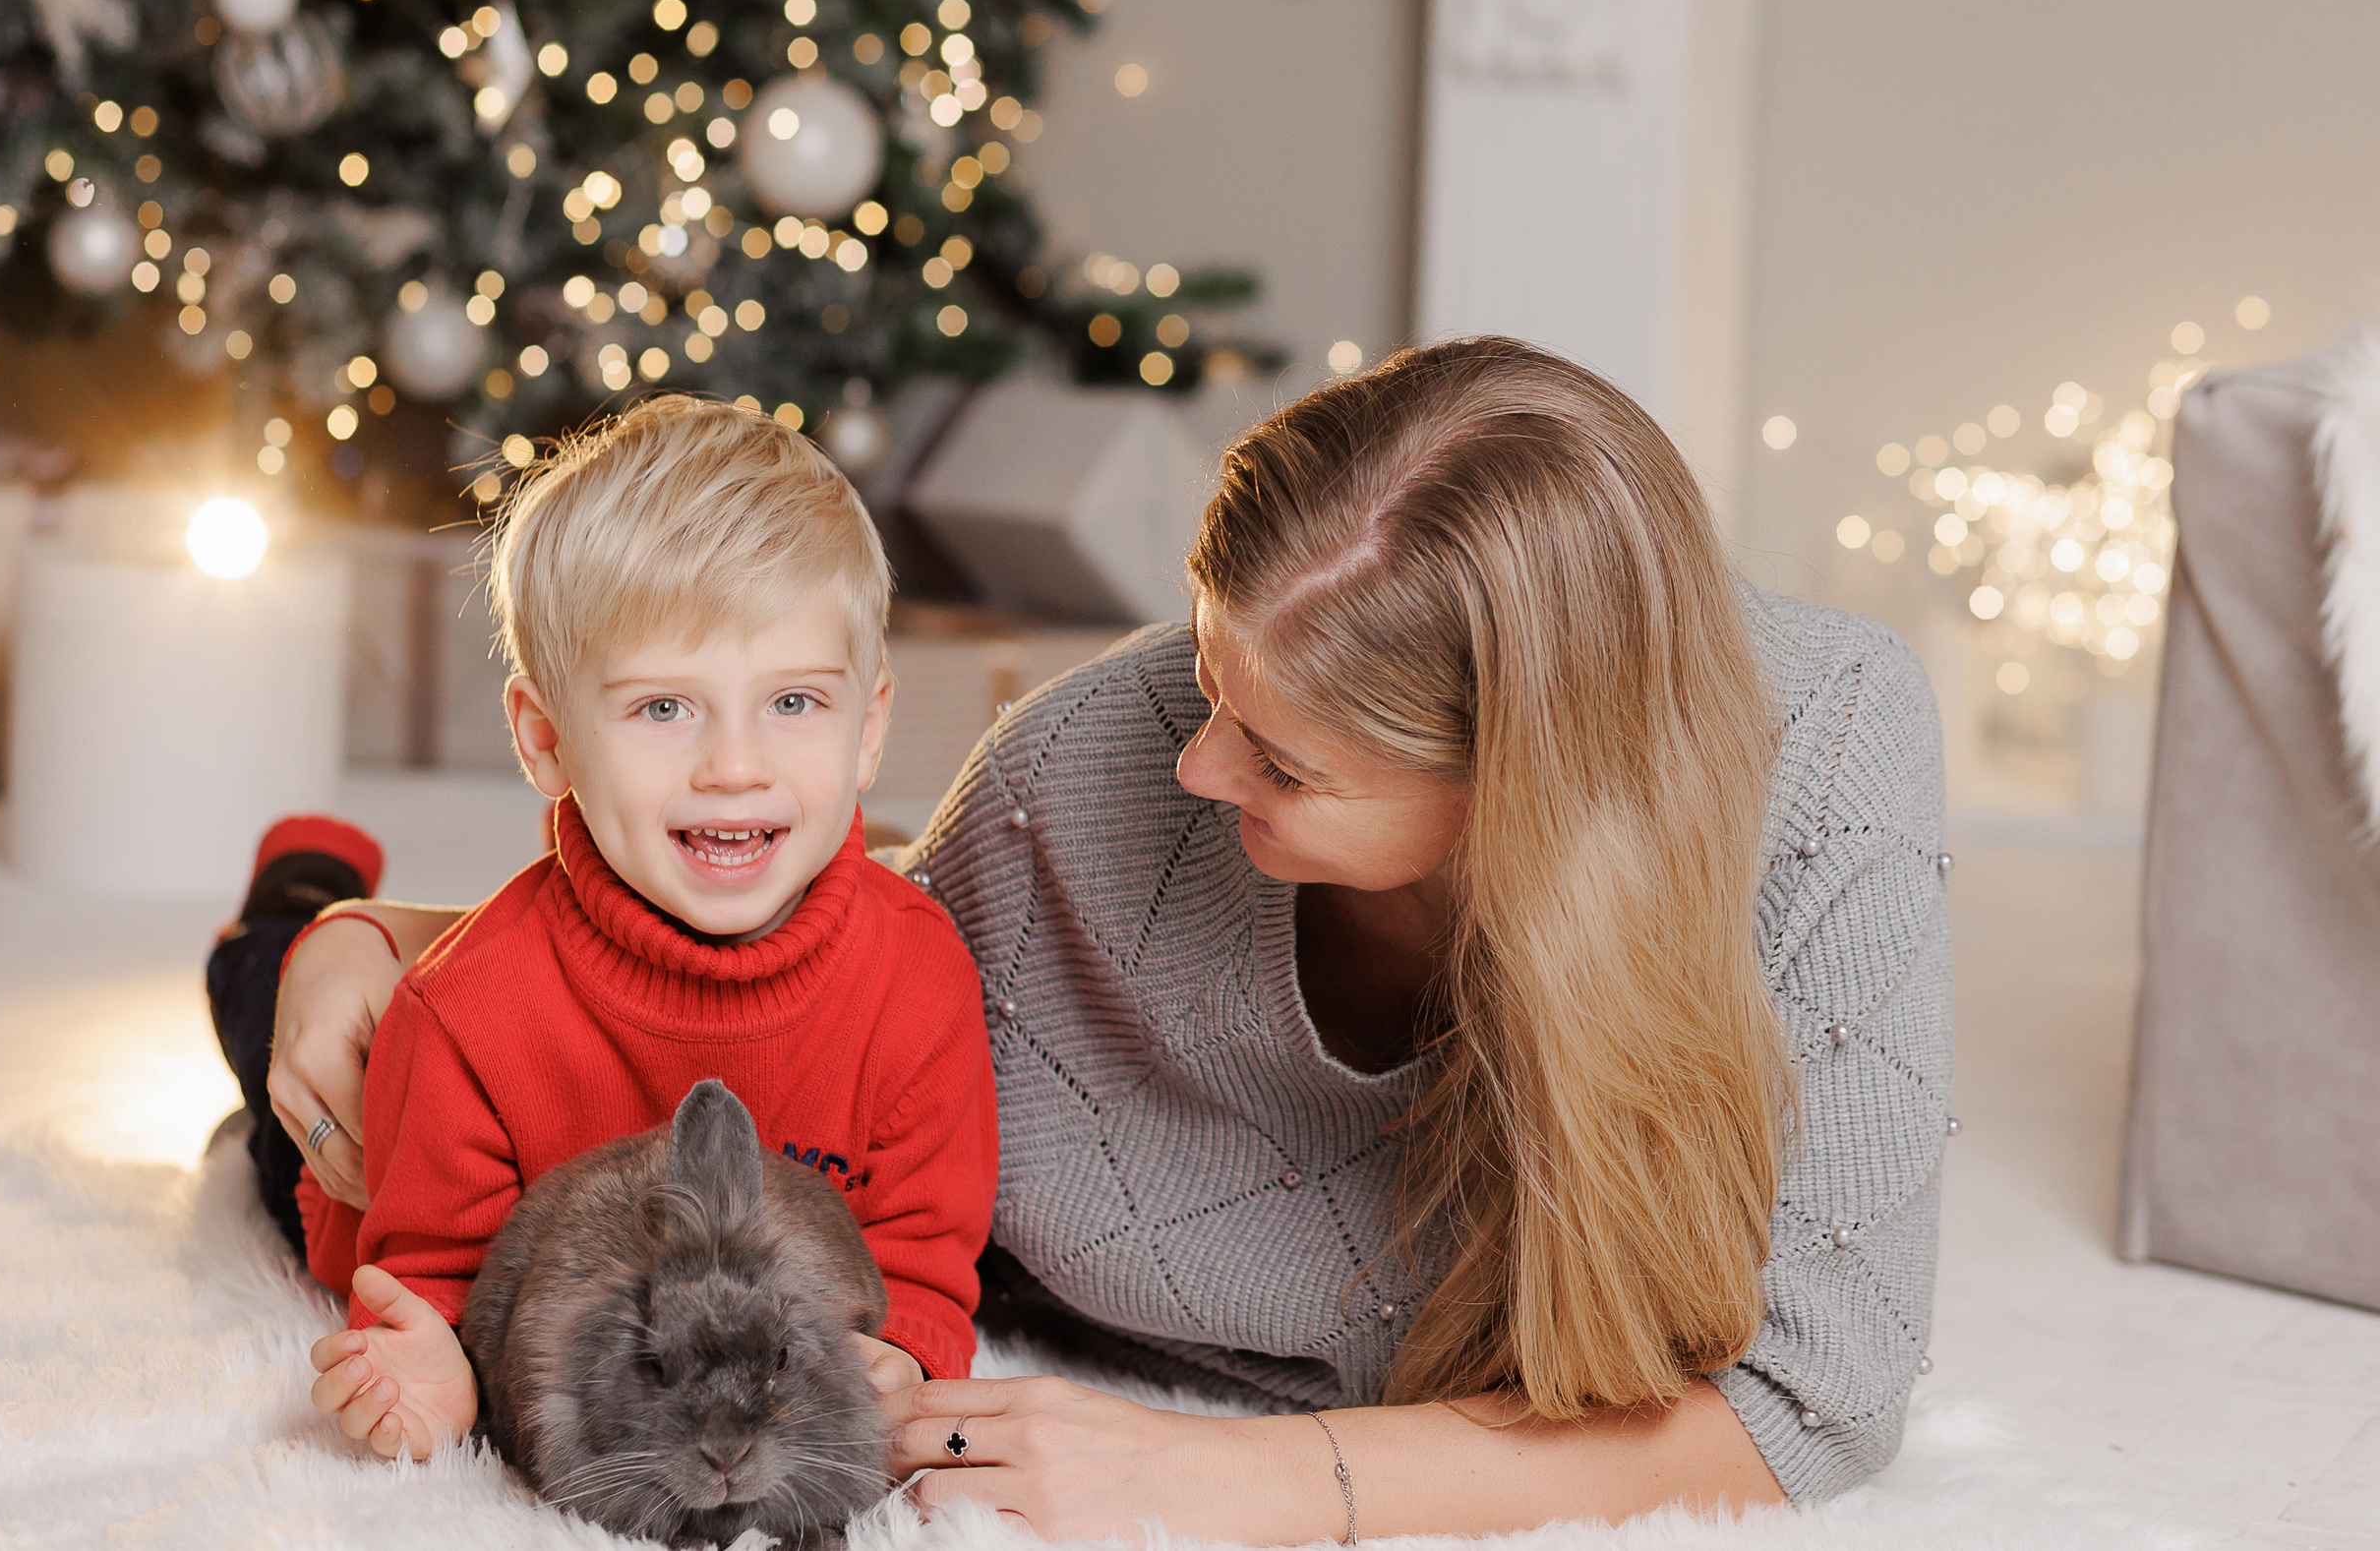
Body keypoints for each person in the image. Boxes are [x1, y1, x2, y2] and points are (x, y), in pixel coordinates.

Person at [269, 337, 1951, 1533]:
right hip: (605, 1093)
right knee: (301, 1094)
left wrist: (1263, 1482)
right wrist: (372, 934)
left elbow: (1809, 1404)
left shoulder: (1829, 759)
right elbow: (795, 935)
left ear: (1519, 791)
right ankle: (280, 897)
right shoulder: (1082, 776)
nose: (1193, 762)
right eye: (1206, 675)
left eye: (1281, 760)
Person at [218, 398, 996, 1458]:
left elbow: (923, 1254)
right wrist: (433, 1362)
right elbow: (427, 1278)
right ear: (545, 741)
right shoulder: (459, 1016)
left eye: (794, 704)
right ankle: (292, 897)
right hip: (363, 1152)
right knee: (270, 1016)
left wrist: (898, 1352)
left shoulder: (917, 976)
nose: (735, 765)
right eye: (664, 709)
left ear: (869, 731)